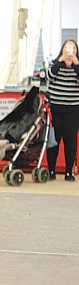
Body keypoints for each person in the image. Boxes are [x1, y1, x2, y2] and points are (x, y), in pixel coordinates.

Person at [45, 39, 79, 181]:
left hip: (73, 109)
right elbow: (48, 76)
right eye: (67, 48)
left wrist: (76, 63)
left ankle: (68, 172)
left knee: (70, 141)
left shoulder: (78, 66)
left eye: (73, 49)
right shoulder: (55, 64)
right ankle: (51, 170)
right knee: (54, 140)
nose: (70, 52)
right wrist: (61, 61)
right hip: (55, 109)